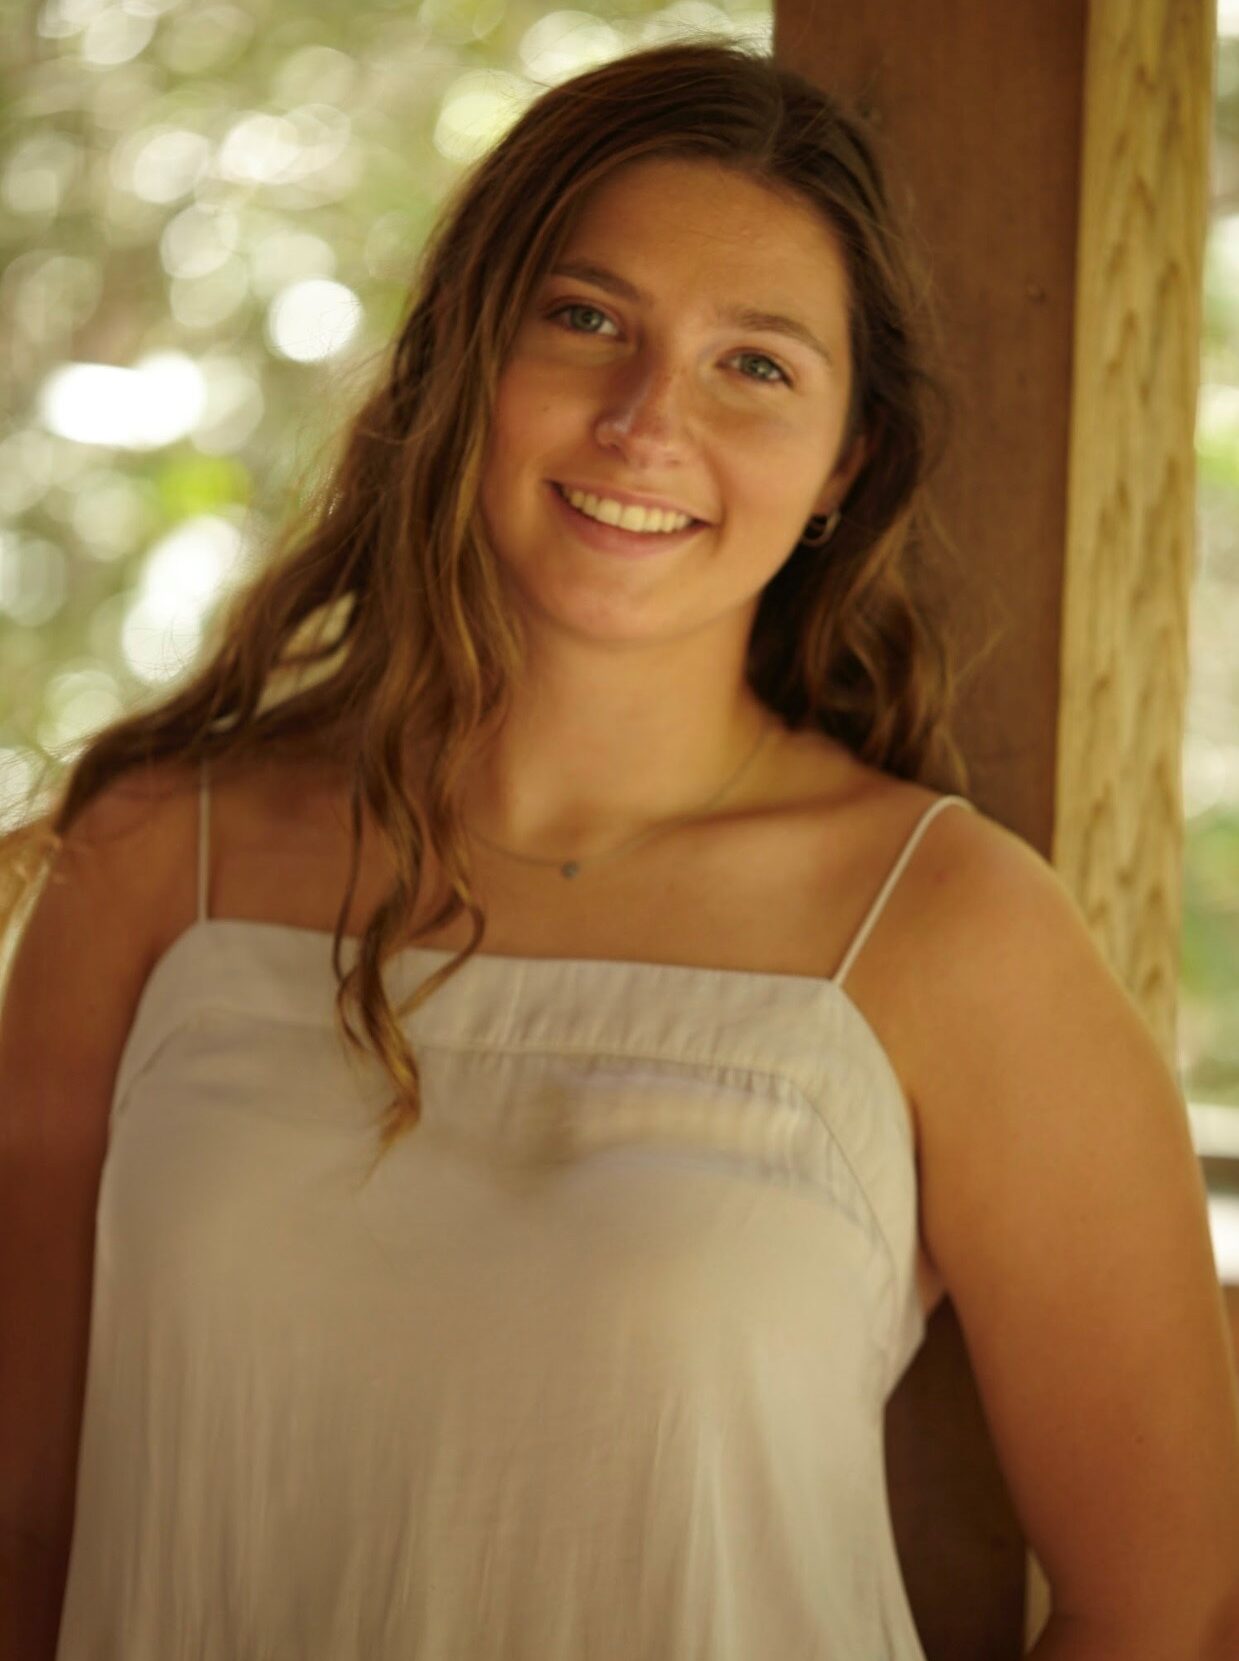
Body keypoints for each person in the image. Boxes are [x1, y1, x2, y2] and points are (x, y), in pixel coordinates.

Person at [2, 34, 1238, 1661]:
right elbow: (17, 1527)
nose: (651, 418)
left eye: (758, 365)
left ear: (841, 468)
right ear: (464, 359)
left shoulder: (949, 928)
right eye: (587, 320)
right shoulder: (163, 859)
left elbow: (1177, 1601)